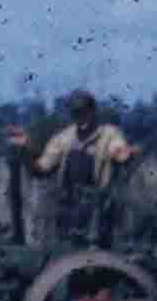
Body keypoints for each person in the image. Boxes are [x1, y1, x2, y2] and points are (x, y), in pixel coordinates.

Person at [27, 89, 137, 246]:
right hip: (68, 208)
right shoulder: (63, 138)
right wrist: (25, 150)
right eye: (76, 113)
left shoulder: (109, 134)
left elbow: (119, 151)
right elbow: (42, 168)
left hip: (98, 209)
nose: (81, 117)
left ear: (93, 111)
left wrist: (123, 154)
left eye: (85, 112)